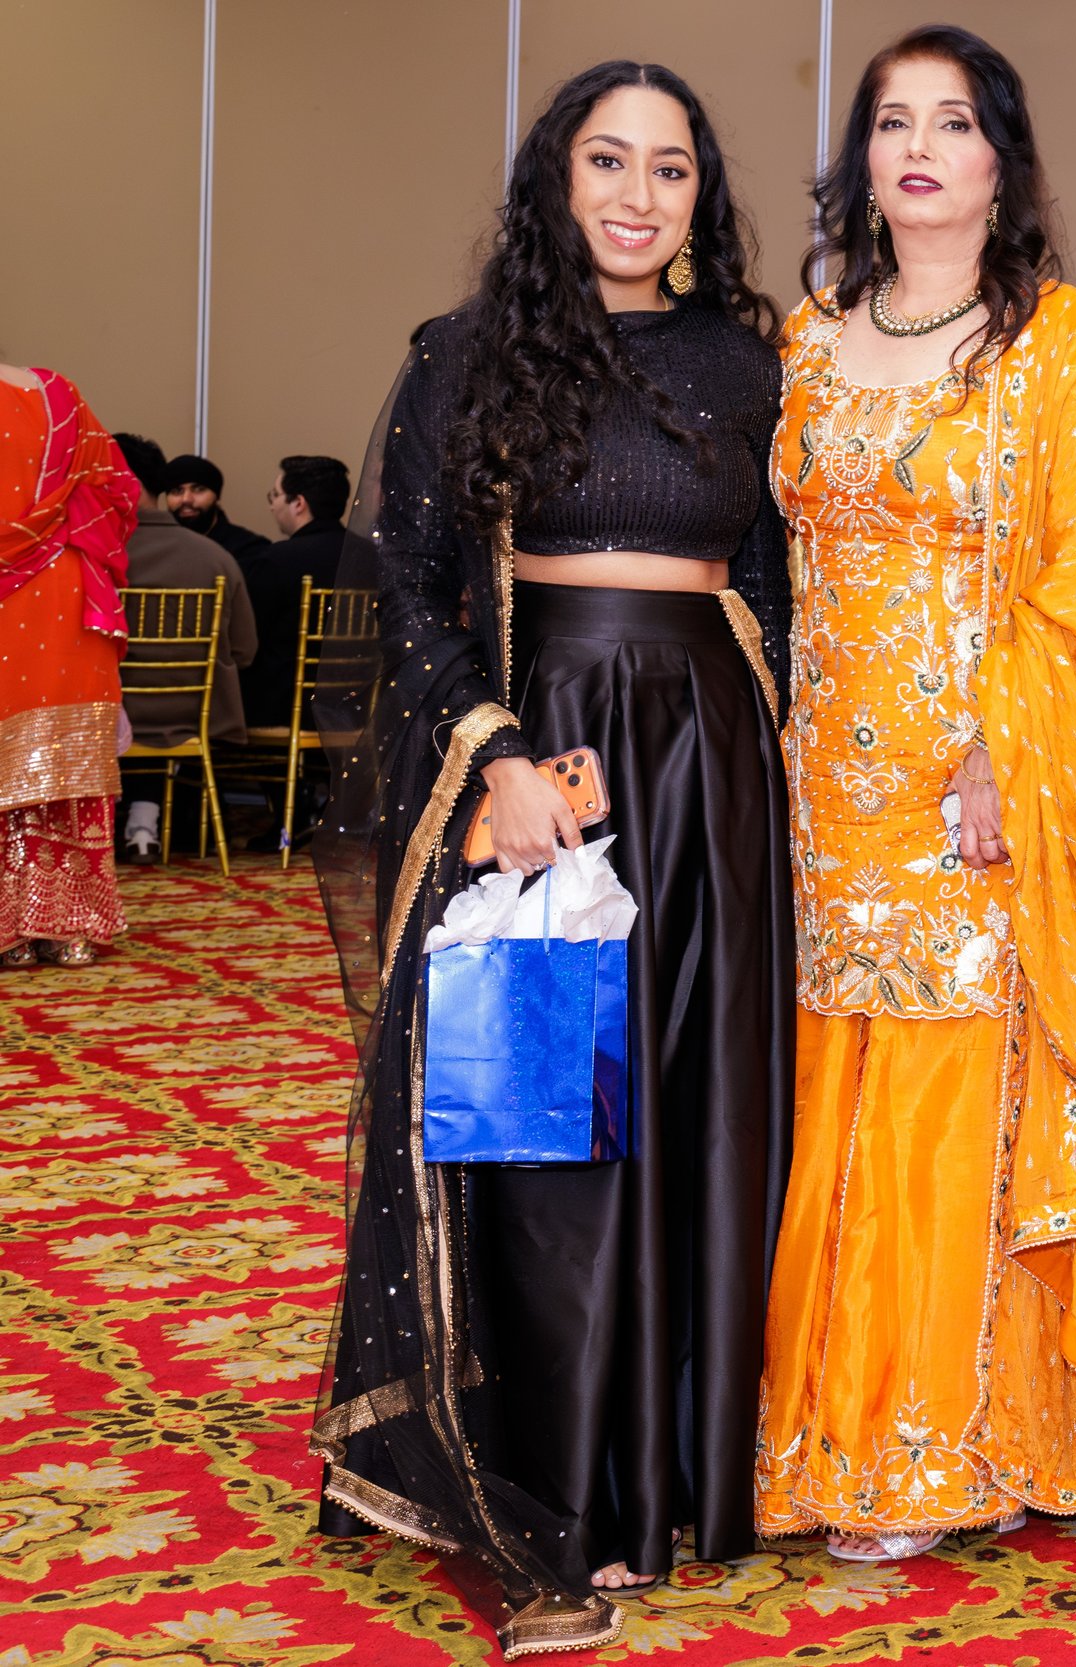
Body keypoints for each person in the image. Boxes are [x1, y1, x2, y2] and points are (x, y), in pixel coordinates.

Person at [308, 60, 793, 1655]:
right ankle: (544, 1513)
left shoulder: (754, 356)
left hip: (710, 780)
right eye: (606, 160)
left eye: (669, 169)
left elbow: (793, 590)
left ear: (701, 197)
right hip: (540, 781)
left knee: (699, 1117)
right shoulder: (467, 356)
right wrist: (497, 759)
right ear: (555, 179)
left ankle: (674, 1478)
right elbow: (413, 582)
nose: (637, 196)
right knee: (540, 1139)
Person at [754, 24, 1076, 1563]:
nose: (920, 147)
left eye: (953, 122)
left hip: (974, 787)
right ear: (863, 159)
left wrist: (1010, 747)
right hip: (825, 783)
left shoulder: (1050, 338)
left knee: (953, 1101)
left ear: (1000, 162)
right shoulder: (807, 336)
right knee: (841, 1087)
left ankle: (950, 1435)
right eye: (892, 123)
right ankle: (832, 1423)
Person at [0, 363, 137, 965]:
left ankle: (11, 933)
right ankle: (67, 927)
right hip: (66, 586)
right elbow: (116, 492)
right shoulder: (56, 392)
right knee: (64, 760)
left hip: (15, 600)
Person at [114, 433, 257, 862]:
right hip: (196, 714)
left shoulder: (102, 556)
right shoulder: (216, 558)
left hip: (113, 716)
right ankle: (147, 819)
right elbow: (245, 650)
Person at [238, 453, 351, 728]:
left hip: (285, 706)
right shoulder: (372, 558)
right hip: (356, 705)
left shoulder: (275, 560)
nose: (272, 507)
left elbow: (248, 637)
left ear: (298, 503)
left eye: (274, 496)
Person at [164, 453, 270, 559]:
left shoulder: (249, 550)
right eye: (177, 491)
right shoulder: (158, 548)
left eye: (198, 490)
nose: (186, 499)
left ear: (217, 497)